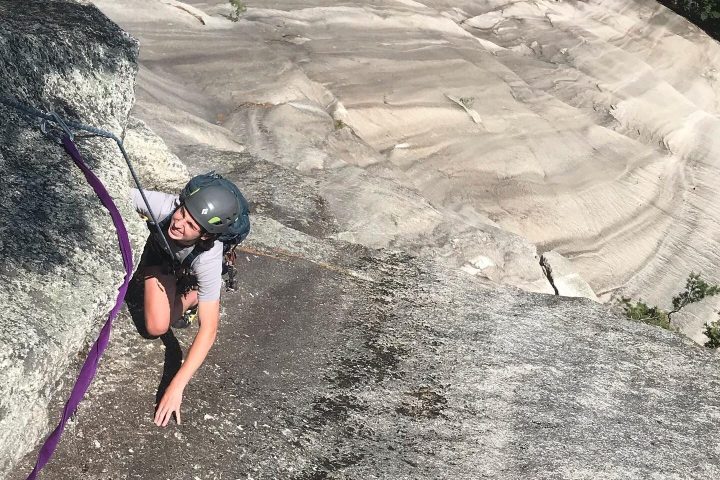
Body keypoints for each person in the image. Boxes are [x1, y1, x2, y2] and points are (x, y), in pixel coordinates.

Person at [131, 173, 249, 427]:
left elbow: (209, 329)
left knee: (157, 326)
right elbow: (119, 193)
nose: (179, 223)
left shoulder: (208, 258)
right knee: (158, 323)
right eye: (182, 213)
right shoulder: (165, 207)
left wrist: (176, 386)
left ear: (205, 236)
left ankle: (199, 292)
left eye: (191, 225)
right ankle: (194, 289)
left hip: (175, 265)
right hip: (160, 257)